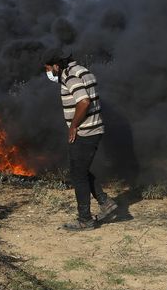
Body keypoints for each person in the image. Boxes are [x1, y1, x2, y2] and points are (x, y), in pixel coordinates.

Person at [43, 48, 117, 231]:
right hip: (94, 129)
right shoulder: (84, 71)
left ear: (56, 65)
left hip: (85, 132)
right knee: (80, 170)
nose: (48, 72)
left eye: (48, 68)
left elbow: (84, 101)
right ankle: (105, 202)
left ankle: (85, 220)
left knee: (78, 175)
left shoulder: (70, 76)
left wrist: (74, 126)